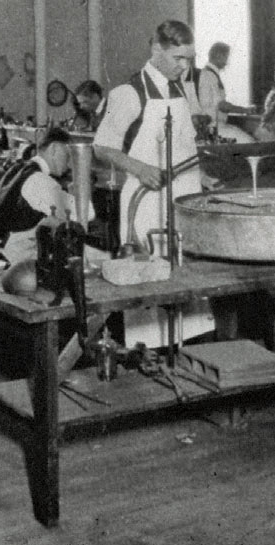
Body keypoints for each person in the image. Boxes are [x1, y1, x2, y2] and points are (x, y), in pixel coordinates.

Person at [93, 20, 211, 347]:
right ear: (156, 50)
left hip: (184, 197)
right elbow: (101, 146)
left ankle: (187, 360)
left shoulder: (182, 89)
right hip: (146, 203)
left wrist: (203, 174)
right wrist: (139, 167)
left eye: (190, 59)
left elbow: (185, 145)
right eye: (178, 59)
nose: (185, 67)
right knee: (149, 300)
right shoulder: (128, 94)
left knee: (188, 300)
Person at [0, 128, 73, 265]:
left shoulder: (19, 167)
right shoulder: (38, 180)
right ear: (54, 149)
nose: (69, 163)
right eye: (68, 154)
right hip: (13, 258)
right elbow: (83, 213)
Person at [197, 42, 254, 142]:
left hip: (217, 125)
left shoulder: (210, 75)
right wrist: (245, 110)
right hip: (213, 127)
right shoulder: (209, 76)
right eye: (226, 57)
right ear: (219, 56)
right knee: (248, 142)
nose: (227, 62)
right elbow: (222, 106)